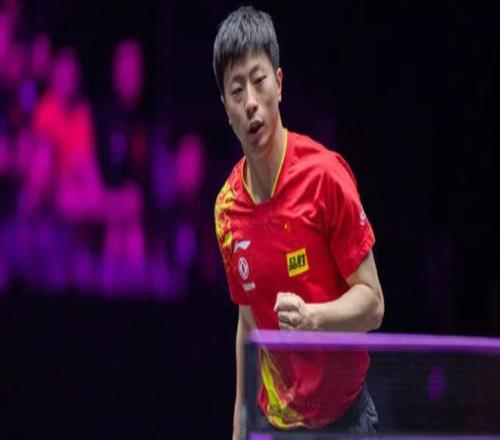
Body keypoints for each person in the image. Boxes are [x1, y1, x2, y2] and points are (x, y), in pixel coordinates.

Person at [212, 6, 384, 439]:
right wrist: (239, 424)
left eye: (259, 81)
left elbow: (373, 304)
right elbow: (247, 320)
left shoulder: (325, 176)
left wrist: (313, 318)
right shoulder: (227, 210)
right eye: (236, 91)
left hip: (346, 422)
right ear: (226, 109)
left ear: (279, 83)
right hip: (277, 424)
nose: (251, 103)